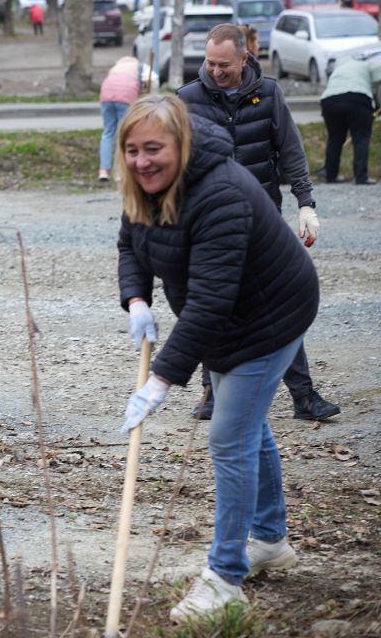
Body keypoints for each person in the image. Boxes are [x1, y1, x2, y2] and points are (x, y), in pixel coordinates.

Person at [117, 94, 317, 623]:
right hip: (226, 322)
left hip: (269, 317)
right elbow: (129, 239)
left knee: (230, 438)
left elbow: (209, 301)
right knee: (249, 426)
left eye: (154, 149)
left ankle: (226, 578)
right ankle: (270, 540)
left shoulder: (221, 192)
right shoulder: (147, 184)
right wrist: (137, 299)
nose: (142, 161)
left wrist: (161, 379)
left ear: (181, 145)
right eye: (133, 150)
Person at [177, 23, 339, 422]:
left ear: (244, 58)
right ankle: (211, 395)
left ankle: (303, 396)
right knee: (215, 303)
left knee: (278, 304)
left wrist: (305, 203)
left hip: (262, 217)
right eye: (210, 63)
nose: (215, 71)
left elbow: (290, 148)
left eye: (224, 65)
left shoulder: (267, 92)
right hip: (211, 222)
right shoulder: (187, 99)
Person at [317, 50, 381, 185]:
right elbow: (378, 83)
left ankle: (331, 175)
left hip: (330, 101)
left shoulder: (338, 68)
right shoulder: (367, 65)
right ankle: (361, 177)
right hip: (357, 98)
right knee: (361, 138)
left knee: (335, 138)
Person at [97, 56, 154, 182]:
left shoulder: (115, 68)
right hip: (125, 97)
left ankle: (103, 170)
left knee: (108, 132)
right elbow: (148, 85)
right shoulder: (139, 67)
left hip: (106, 96)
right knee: (123, 134)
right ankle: (120, 172)